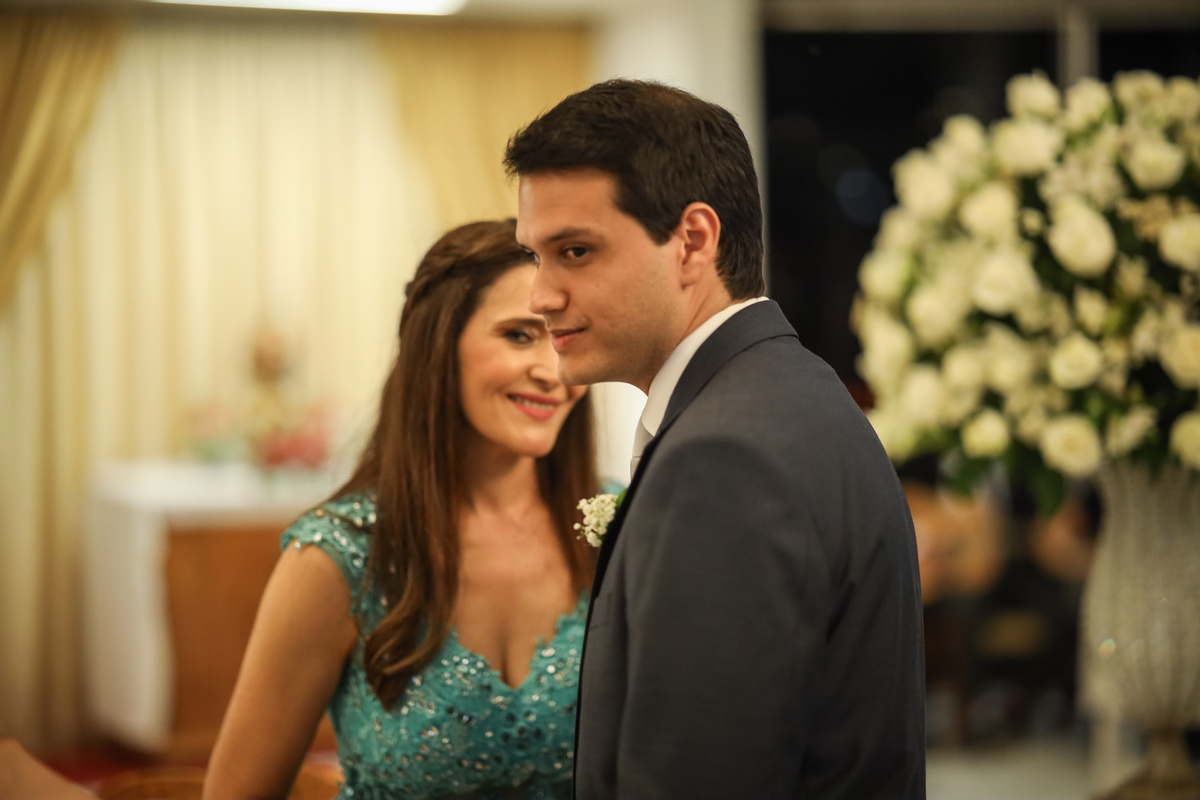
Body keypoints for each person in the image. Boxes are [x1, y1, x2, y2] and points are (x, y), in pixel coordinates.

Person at [506, 80, 926, 799]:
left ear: (693, 242)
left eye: (575, 251)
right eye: (535, 256)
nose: (541, 296)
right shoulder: (794, 389)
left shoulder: (723, 460)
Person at [204, 220, 598, 800]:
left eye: (563, 337)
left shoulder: (611, 523)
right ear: (438, 345)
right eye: (519, 335)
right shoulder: (339, 557)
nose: (553, 370)